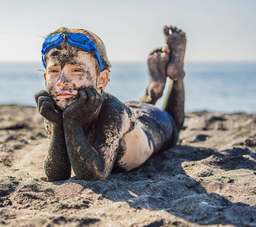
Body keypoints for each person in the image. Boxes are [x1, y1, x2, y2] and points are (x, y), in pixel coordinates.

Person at [35, 25, 186, 181]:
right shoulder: (57, 106)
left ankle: (176, 77)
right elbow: (57, 174)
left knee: (173, 126)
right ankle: (153, 91)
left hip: (151, 120)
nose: (61, 82)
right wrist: (58, 123)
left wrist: (71, 120)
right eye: (54, 71)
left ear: (102, 80)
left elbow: (94, 175)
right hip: (129, 110)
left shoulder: (114, 113)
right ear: (45, 77)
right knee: (135, 107)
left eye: (76, 70)